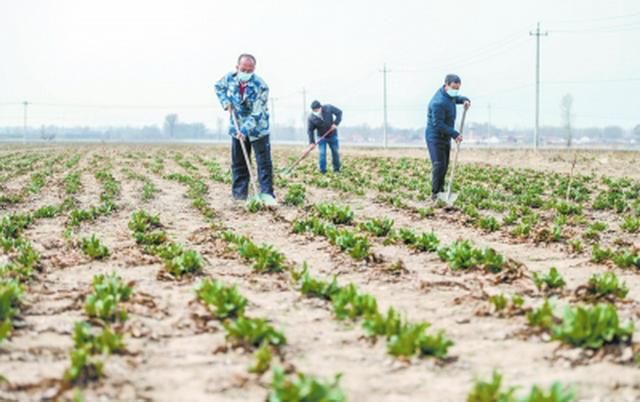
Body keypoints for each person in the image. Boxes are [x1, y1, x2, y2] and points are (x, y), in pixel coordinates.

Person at [215, 53, 276, 205]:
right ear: (237, 67)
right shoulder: (229, 78)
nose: (246, 73)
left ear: (254, 69)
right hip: (236, 126)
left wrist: (245, 130)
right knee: (239, 162)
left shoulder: (261, 86)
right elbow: (218, 87)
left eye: (250, 71)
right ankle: (239, 195)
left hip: (258, 129)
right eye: (244, 69)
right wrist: (225, 102)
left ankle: (267, 195)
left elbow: (257, 113)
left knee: (263, 163)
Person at [425, 74, 471, 201]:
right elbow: (438, 124)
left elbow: (456, 98)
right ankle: (435, 194)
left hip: (445, 136)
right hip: (435, 137)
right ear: (446, 85)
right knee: (439, 164)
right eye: (453, 88)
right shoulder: (438, 102)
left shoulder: (449, 96)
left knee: (445, 165)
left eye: (457, 88)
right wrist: (455, 134)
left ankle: (442, 191)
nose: (455, 91)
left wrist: (465, 100)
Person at [307, 100, 343, 174]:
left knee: (335, 152)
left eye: (317, 110)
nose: (315, 111)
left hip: (332, 135)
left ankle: (336, 170)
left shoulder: (328, 108)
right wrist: (312, 142)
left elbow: (339, 112)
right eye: (314, 110)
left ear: (320, 107)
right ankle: (322, 171)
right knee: (322, 153)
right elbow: (310, 130)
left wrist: (335, 123)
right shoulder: (311, 118)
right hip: (321, 137)